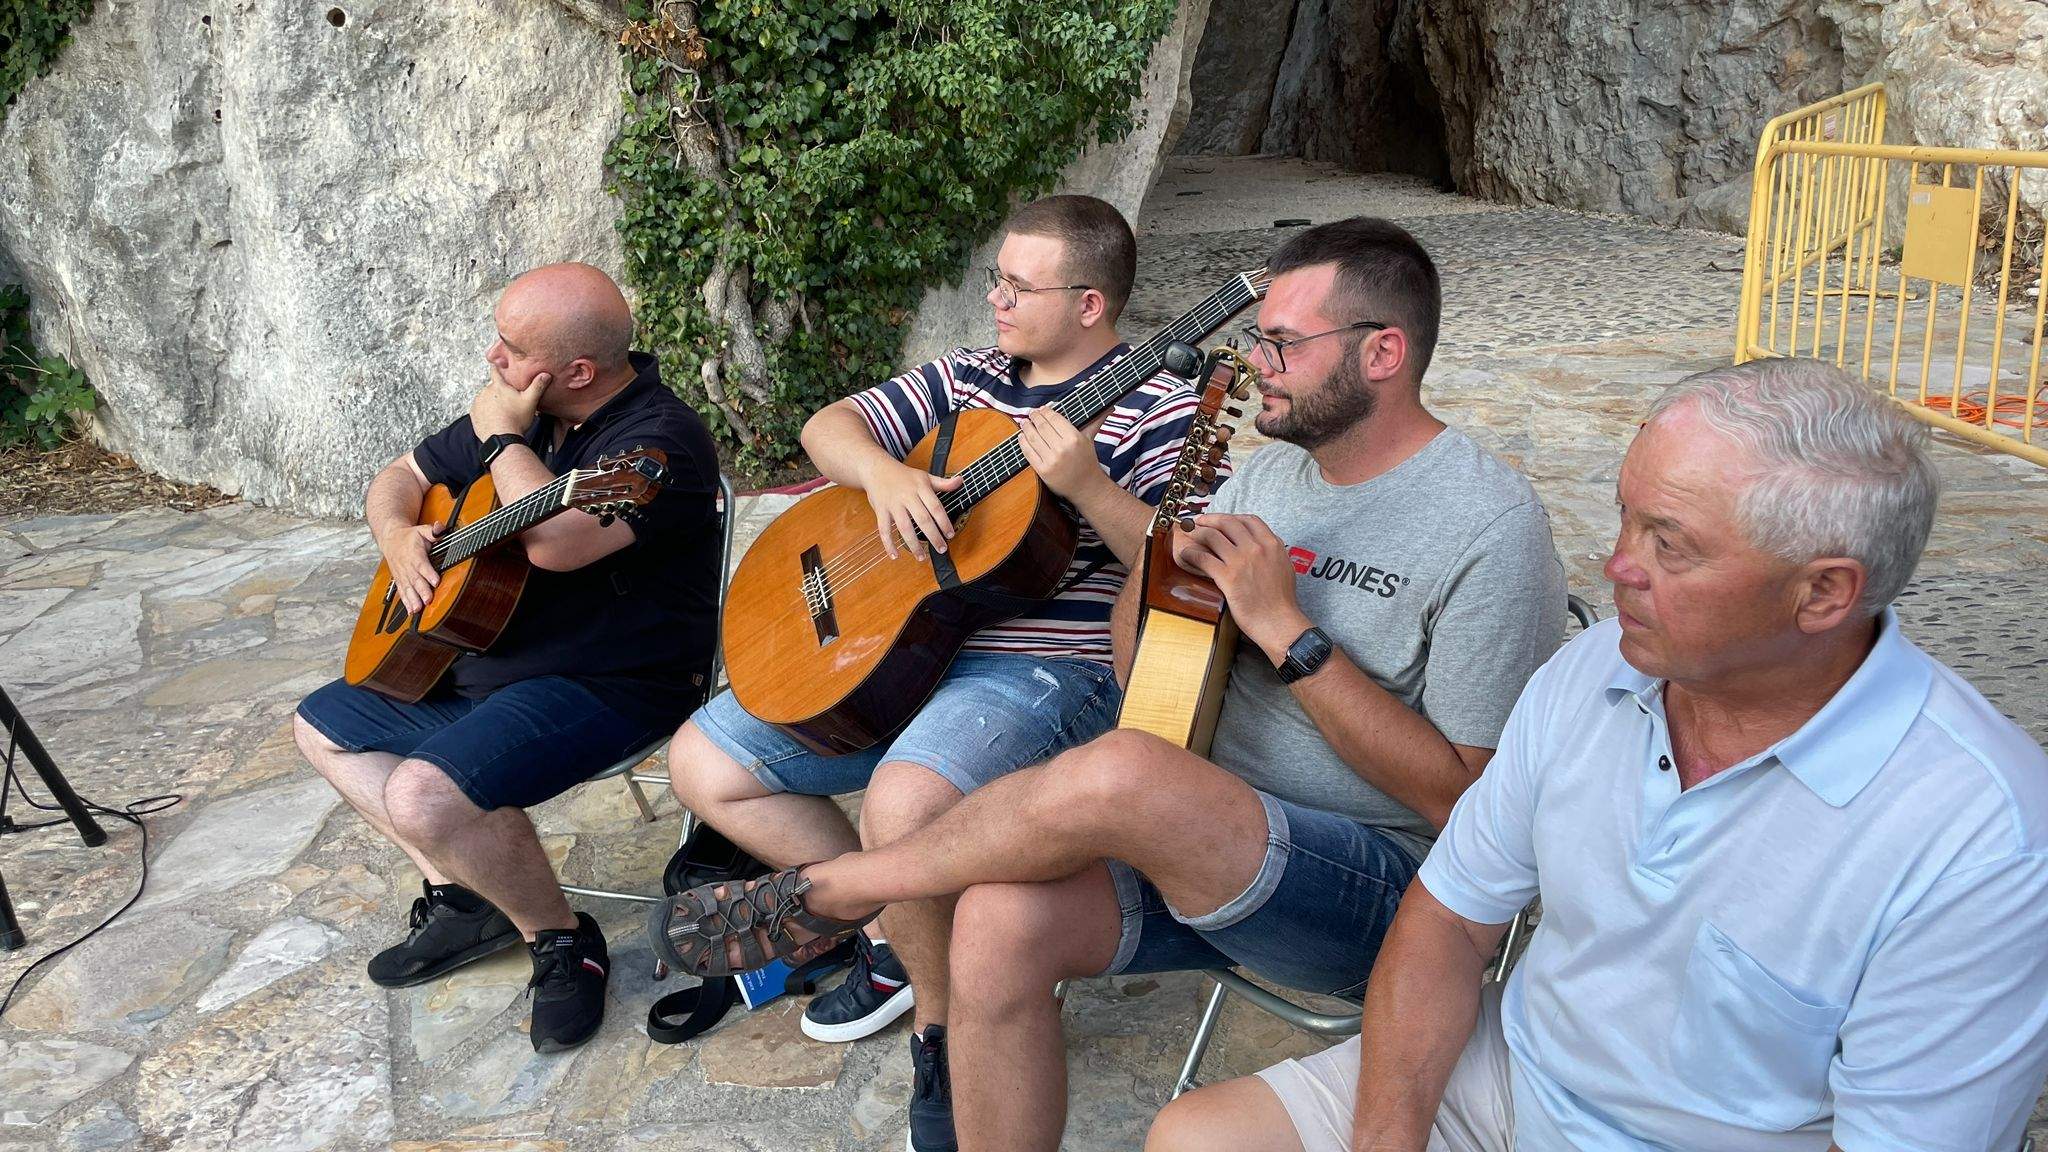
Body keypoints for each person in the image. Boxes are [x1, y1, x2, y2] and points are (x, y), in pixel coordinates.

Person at [652, 217, 1568, 1152]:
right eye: (1259, 338)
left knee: (1125, 768)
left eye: (1282, 342)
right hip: (1190, 833)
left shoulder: (1490, 529)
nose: (1258, 362)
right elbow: (1140, 671)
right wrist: (1164, 566)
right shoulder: (1273, 474)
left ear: (1383, 352)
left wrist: (1287, 631)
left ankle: (844, 888)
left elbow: (1467, 801)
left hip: (1371, 891)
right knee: (995, 925)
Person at [1149, 357, 2048, 1152]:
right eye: (1626, 517)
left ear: (1823, 595)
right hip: (1515, 1077)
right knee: (1194, 1139)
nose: (1617, 565)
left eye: (1670, 543)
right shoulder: (1594, 670)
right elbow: (1452, 920)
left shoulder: (1980, 838)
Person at [664, 193, 1215, 1150]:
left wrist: (1086, 485)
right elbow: (829, 426)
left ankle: (942, 1026)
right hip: (903, 643)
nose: (995, 298)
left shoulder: (1162, 405)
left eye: (1019, 285)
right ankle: (889, 931)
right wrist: (886, 477)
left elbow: (1178, 570)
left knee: (903, 804)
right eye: (998, 277)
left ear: (1091, 304)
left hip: (1052, 672)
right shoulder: (971, 376)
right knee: (704, 762)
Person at [294, 262, 722, 1052]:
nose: (493, 356)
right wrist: (396, 537)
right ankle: (466, 897)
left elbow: (558, 544)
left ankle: (562, 940)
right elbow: (400, 477)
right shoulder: (530, 406)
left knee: (423, 798)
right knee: (319, 727)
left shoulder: (660, 445)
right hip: (478, 662)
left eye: (512, 345)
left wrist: (499, 438)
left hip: (611, 682)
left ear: (578, 372)